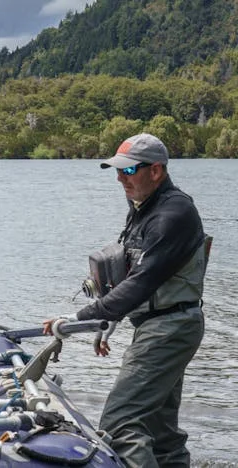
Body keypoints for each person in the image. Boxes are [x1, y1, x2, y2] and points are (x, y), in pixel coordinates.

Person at [43, 133, 207, 468]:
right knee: (161, 432)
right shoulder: (144, 207)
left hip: (168, 329)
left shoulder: (172, 214)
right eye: (117, 171)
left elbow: (142, 282)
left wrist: (77, 319)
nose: (119, 178)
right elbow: (136, 275)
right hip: (160, 323)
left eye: (128, 171)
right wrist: (109, 320)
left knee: (119, 422)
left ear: (156, 171)